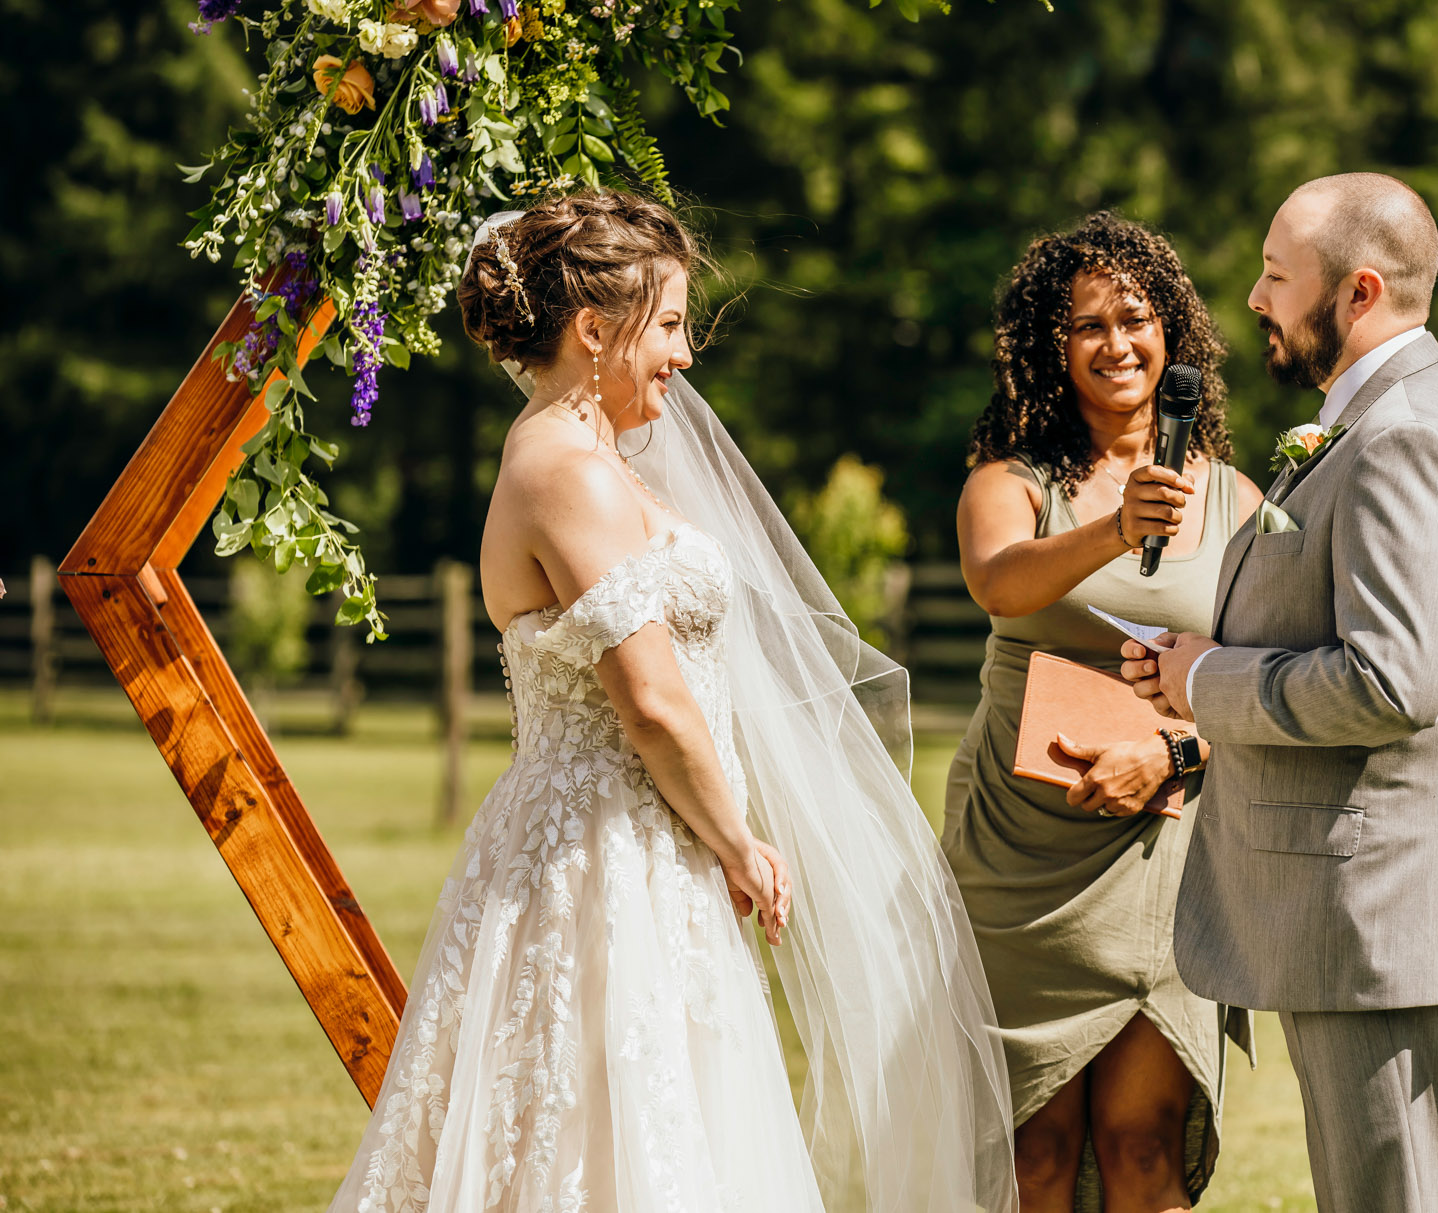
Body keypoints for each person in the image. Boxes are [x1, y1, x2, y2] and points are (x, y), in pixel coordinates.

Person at [326, 190, 1017, 1213]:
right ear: (592, 330)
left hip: (648, 845)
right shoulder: (566, 470)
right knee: (595, 1140)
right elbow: (649, 700)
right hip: (600, 855)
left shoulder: (596, 459)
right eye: (668, 326)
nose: (685, 354)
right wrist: (741, 841)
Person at [1123, 174, 1438, 1213]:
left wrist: (1201, 679)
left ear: (1356, 293)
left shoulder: (1407, 436)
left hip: (1389, 913)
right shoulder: (1388, 420)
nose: (1255, 297)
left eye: (1276, 275)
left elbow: (1388, 679)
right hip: (1375, 916)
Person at [946, 211, 1261, 1213]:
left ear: (1172, 335)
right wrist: (1114, 526)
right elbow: (999, 582)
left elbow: (1268, 678)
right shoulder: (1010, 480)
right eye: (1086, 325)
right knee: (1032, 1150)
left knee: (1139, 1144)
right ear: (1051, 347)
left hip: (1159, 859)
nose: (1116, 343)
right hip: (1016, 857)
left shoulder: (1238, 501)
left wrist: (1173, 751)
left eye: (1135, 318)